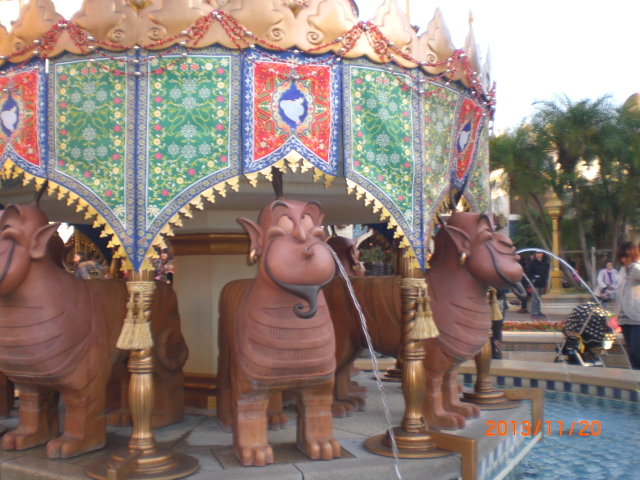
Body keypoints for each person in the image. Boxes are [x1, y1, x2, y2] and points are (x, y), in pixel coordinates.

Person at [613, 242, 640, 369]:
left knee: (637, 350)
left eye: (627, 256)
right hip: (623, 317)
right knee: (631, 353)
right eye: (622, 256)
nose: (624, 259)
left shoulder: (635, 267)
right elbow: (622, 291)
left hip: (636, 316)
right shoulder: (623, 270)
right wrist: (608, 295)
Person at [526, 252, 549, 319]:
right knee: (535, 298)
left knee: (539, 298)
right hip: (535, 282)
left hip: (541, 281)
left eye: (541, 253)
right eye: (538, 253)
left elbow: (545, 272)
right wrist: (533, 279)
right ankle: (534, 312)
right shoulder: (533, 262)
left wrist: (545, 279)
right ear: (535, 254)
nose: (539, 254)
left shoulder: (544, 262)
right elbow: (529, 272)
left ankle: (538, 311)